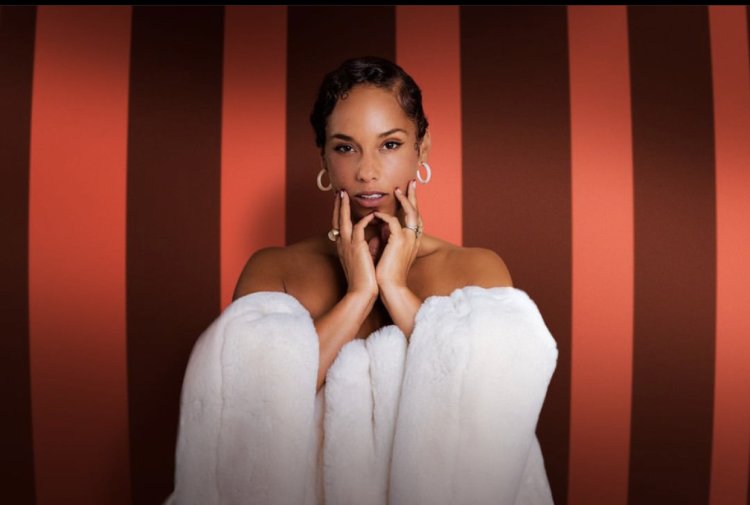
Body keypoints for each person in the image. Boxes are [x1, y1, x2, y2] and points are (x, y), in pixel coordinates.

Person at [166, 57, 558, 505]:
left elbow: (496, 415)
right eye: (345, 148)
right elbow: (248, 416)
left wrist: (395, 289)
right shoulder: (275, 269)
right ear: (323, 157)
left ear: (422, 148)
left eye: (389, 145)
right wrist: (358, 296)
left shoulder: (475, 269)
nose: (367, 172)